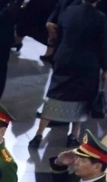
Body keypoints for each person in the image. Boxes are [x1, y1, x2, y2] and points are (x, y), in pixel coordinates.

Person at [30, 0, 107, 148]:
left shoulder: (68, 12)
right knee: (81, 100)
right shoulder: (100, 18)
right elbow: (103, 46)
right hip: (87, 64)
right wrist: (105, 68)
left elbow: (60, 34)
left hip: (64, 59)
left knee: (55, 95)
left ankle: (38, 135)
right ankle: (73, 135)